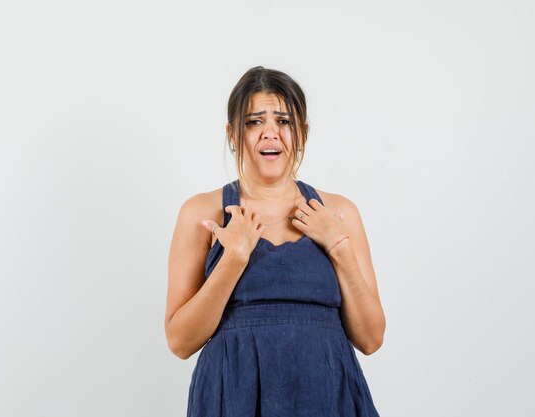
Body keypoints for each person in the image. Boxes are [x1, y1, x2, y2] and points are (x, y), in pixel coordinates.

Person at [165, 66, 385, 416]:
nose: (270, 133)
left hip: (328, 397)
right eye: (254, 122)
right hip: (233, 398)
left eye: (284, 121)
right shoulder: (202, 213)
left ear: (303, 133)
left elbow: (371, 339)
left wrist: (338, 247)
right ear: (232, 134)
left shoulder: (339, 213)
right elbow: (180, 341)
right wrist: (233, 258)